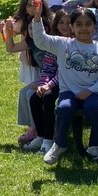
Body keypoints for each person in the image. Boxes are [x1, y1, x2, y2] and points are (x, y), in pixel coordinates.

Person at [30, 6, 98, 168]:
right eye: (78, 24)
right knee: (64, 108)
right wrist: (37, 19)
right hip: (68, 93)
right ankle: (59, 144)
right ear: (72, 27)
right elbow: (41, 40)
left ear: (94, 26)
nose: (83, 28)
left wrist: (90, 91)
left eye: (88, 24)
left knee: (94, 109)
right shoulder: (63, 44)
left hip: (93, 93)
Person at [1, 0, 50, 147]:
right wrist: (8, 33)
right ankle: (34, 127)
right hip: (42, 73)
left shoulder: (50, 38)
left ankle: (40, 129)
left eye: (35, 5)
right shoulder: (30, 40)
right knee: (25, 93)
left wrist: (46, 82)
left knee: (31, 94)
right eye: (29, 5)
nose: (32, 8)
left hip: (53, 77)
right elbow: (11, 48)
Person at [26, 10, 70, 154]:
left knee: (49, 97)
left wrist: (48, 86)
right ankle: (40, 135)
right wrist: (42, 84)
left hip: (68, 82)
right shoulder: (53, 42)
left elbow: (64, 71)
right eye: (61, 22)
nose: (65, 26)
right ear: (56, 25)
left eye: (69, 22)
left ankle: (49, 139)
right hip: (53, 82)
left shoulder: (74, 43)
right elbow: (48, 68)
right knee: (34, 98)